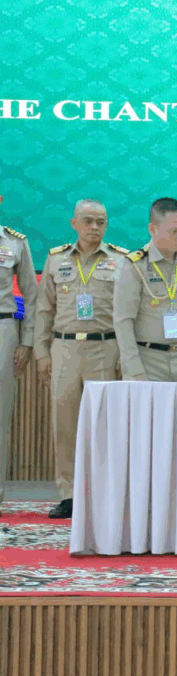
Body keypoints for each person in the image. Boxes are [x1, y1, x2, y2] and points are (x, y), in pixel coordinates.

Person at [34, 199, 128, 519]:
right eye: (88, 221)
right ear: (74, 223)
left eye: (101, 222)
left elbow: (129, 313)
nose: (94, 227)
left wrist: (125, 355)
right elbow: (43, 311)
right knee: (65, 424)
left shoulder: (121, 260)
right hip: (64, 349)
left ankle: (104, 494)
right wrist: (41, 353)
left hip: (106, 348)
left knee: (105, 425)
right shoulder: (56, 259)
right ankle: (69, 495)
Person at [113, 197, 177, 382]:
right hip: (146, 361)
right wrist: (134, 370)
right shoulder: (134, 266)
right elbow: (123, 322)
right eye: (174, 231)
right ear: (153, 229)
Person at [0, 194, 38, 515]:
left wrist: (27, 341)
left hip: (4, 330)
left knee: (0, 413)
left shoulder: (15, 242)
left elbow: (31, 293)